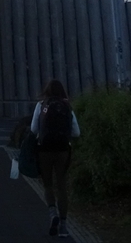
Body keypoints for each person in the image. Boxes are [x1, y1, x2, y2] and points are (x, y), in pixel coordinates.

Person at [31, 80, 79, 238]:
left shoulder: (41, 105)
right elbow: (76, 132)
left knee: (47, 184)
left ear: (47, 91)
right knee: (61, 186)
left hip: (44, 149)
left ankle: (53, 213)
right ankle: (64, 226)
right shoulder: (67, 106)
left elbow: (33, 129)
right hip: (63, 150)